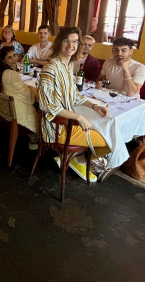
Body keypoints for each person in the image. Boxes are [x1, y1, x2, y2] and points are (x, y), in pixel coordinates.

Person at [38, 26, 110, 182]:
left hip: (66, 124)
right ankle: (77, 160)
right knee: (109, 142)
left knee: (106, 131)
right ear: (59, 43)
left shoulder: (68, 66)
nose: (71, 45)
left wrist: (95, 106)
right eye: (66, 41)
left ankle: (72, 158)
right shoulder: (51, 68)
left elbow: (75, 96)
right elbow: (47, 105)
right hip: (55, 130)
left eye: (75, 42)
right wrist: (78, 116)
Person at [0, 46, 39, 145]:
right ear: (3, 60)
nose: (14, 59)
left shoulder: (3, 71)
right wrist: (33, 90)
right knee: (38, 102)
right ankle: (37, 135)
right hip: (14, 111)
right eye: (9, 57)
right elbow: (26, 95)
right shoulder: (11, 74)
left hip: (5, 108)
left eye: (14, 55)